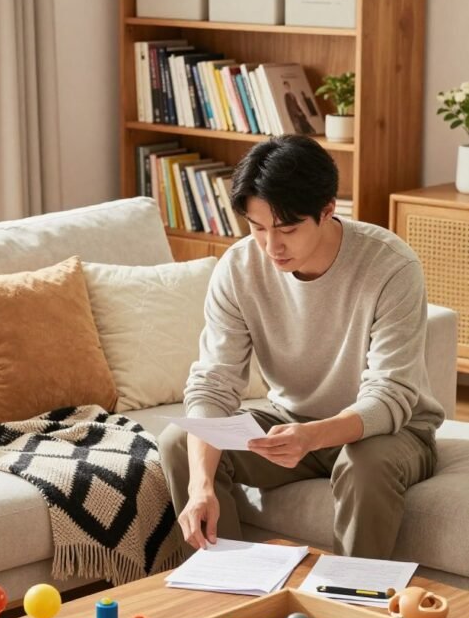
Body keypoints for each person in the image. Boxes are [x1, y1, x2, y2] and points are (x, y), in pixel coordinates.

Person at [159, 135, 443, 559]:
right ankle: (233, 585)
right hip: (291, 421)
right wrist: (200, 486)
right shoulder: (237, 269)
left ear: (328, 210)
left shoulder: (390, 265)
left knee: (364, 466)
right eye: (258, 228)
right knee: (182, 440)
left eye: (287, 229)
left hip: (390, 431)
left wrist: (313, 436)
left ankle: (353, 607)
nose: (272, 246)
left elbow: (391, 394)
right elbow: (213, 383)